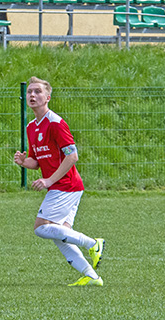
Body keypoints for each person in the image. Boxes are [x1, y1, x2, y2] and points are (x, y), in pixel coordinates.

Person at [13, 76, 105, 287]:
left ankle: (93, 243)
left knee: (41, 228)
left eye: (37, 92)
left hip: (66, 185)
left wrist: (48, 180)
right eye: (30, 92)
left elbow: (72, 156)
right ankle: (92, 277)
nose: (32, 95)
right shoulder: (31, 127)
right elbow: (37, 162)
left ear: (48, 97)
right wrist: (23, 162)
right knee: (59, 234)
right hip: (61, 186)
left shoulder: (55, 123)